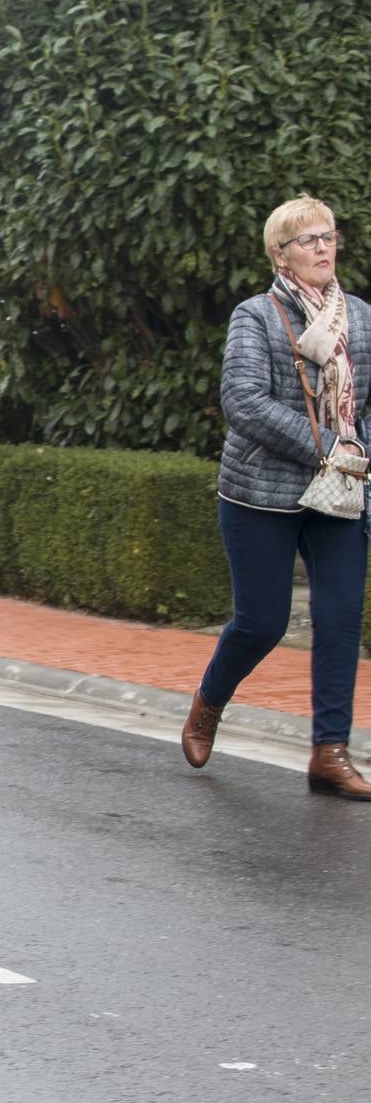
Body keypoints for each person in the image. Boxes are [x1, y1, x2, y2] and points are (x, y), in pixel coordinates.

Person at [184, 195, 371, 795]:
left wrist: (358, 453)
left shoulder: (361, 318)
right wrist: (325, 446)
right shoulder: (256, 316)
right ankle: (209, 702)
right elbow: (244, 402)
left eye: (329, 236)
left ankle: (330, 752)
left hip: (339, 494)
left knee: (341, 618)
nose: (323, 247)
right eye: (308, 239)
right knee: (262, 621)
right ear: (280, 255)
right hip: (259, 493)